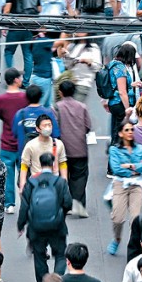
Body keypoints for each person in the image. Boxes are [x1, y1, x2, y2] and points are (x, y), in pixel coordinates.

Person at [19, 154, 74, 282]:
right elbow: (68, 203)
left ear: (40, 163)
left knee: (39, 257)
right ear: (53, 164)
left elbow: (24, 206)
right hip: (57, 226)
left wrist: (21, 224)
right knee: (60, 255)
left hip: (36, 227)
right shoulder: (60, 182)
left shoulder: (31, 182)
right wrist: (60, 214)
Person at [109, 122, 142, 256]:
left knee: (136, 218)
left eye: (132, 129)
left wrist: (130, 166)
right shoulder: (114, 150)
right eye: (127, 130)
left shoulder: (140, 149)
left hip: (137, 184)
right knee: (117, 217)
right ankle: (117, 238)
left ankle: (133, 246)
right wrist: (133, 169)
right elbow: (116, 169)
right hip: (120, 184)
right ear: (121, 133)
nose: (130, 132)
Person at [54, 81, 93, 216]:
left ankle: (66, 205)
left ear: (60, 92)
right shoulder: (82, 107)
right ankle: (80, 204)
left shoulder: (57, 107)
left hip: (63, 150)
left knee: (63, 176)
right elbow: (88, 126)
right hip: (80, 148)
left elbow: (55, 128)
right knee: (80, 177)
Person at [0, 69, 29, 213]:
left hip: (6, 141)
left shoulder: (1, 99)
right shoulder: (25, 97)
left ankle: (9, 204)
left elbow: (2, 116)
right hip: (23, 142)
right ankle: (26, 200)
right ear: (16, 79)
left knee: (7, 174)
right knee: (25, 171)